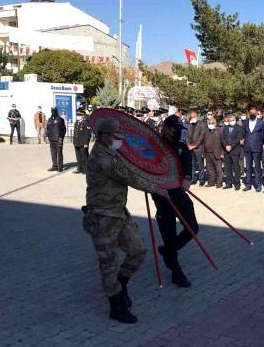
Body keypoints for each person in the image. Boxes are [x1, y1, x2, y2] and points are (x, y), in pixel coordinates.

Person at [83, 117, 168, 324]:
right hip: (103, 217)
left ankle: (121, 284)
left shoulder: (110, 152)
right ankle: (116, 305)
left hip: (119, 213)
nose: (120, 141)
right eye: (116, 137)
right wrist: (157, 188)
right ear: (104, 137)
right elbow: (130, 177)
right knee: (108, 264)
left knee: (138, 250)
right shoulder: (103, 159)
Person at [151, 115, 200, 287]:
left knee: (193, 228)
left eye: (179, 130)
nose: (177, 133)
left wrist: (188, 178)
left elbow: (187, 161)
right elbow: (147, 167)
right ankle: (176, 271)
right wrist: (154, 186)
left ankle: (169, 251)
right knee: (169, 232)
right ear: (165, 128)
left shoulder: (180, 144)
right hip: (162, 194)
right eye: (174, 129)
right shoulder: (156, 145)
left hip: (179, 191)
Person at [241, 104, 264, 192]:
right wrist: (242, 139)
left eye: (254, 112)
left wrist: (263, 144)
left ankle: (258, 185)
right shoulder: (245, 122)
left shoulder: (261, 122)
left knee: (257, 167)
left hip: (257, 148)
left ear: (256, 112)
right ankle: (248, 184)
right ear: (249, 113)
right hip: (247, 147)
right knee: (248, 167)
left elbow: (263, 135)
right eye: (251, 111)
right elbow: (243, 134)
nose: (252, 113)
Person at [221, 114, 244, 190]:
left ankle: (237, 183)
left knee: (236, 167)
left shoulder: (239, 128)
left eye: (233, 120)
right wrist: (226, 146)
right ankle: (229, 183)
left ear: (235, 120)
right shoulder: (225, 127)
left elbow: (238, 138)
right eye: (230, 120)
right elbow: (223, 138)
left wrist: (231, 146)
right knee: (227, 168)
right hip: (226, 151)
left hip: (235, 150)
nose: (231, 121)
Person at [186, 111, 207, 185]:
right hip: (190, 147)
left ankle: (201, 179)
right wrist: (188, 145)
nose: (193, 118)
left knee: (200, 164)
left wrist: (195, 145)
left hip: (198, 148)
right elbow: (187, 136)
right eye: (191, 117)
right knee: (192, 164)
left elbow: (202, 136)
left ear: (197, 116)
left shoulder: (202, 124)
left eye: (194, 116)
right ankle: (193, 178)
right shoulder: (190, 124)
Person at [203, 117, 223, 188]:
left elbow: (223, 143)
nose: (210, 124)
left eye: (212, 123)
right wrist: (203, 153)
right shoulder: (206, 131)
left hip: (217, 153)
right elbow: (203, 142)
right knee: (209, 169)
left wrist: (222, 153)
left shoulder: (219, 131)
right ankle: (211, 182)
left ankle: (219, 183)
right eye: (209, 123)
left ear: (215, 123)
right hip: (207, 153)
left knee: (218, 169)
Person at [46, 107, 66, 172]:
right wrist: (47, 136)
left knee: (59, 153)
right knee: (53, 153)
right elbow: (48, 129)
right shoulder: (49, 119)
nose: (53, 112)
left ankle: (60, 167)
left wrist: (61, 137)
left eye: (54, 111)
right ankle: (54, 166)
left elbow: (63, 129)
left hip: (58, 139)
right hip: (51, 139)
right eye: (52, 111)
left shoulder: (60, 119)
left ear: (56, 111)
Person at [73, 109, 92, 174]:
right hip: (77, 142)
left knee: (84, 157)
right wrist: (74, 141)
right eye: (77, 115)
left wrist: (86, 143)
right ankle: (79, 168)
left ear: (83, 115)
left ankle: (86, 169)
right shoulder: (76, 123)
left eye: (80, 115)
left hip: (83, 143)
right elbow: (75, 133)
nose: (78, 116)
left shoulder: (86, 123)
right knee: (78, 157)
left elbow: (87, 133)